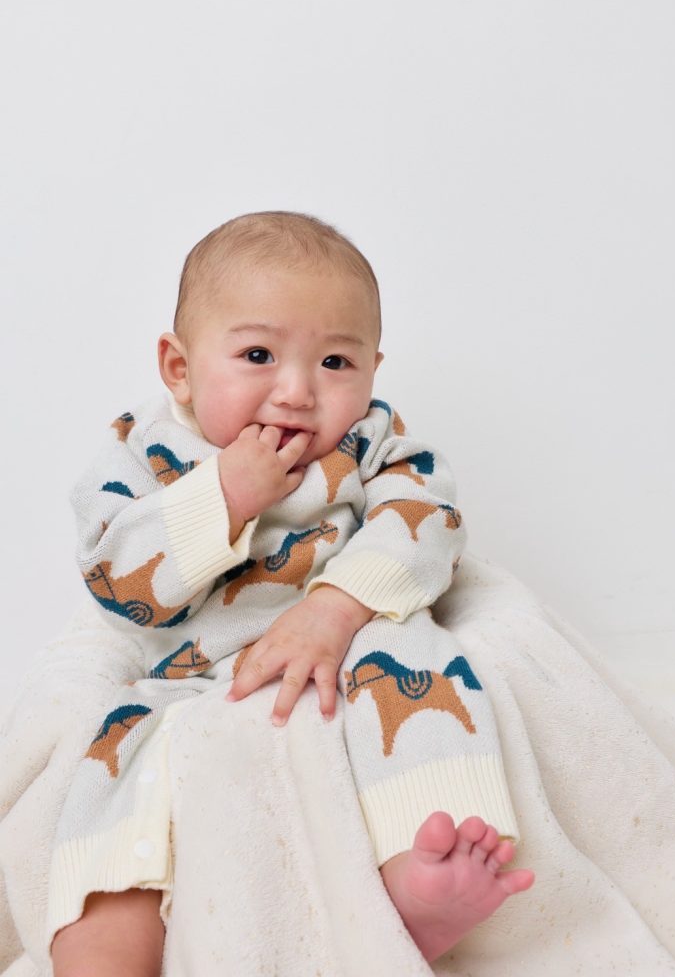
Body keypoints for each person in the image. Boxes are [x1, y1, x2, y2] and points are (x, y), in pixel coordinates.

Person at [48, 210, 534, 974]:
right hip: (189, 680)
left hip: (345, 658)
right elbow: (116, 580)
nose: (298, 391)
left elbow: (426, 519)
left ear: (372, 370)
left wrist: (334, 608)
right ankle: (106, 947)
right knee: (119, 777)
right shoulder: (143, 454)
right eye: (257, 355)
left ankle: (416, 878)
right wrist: (223, 494)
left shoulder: (368, 445)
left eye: (335, 362)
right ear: (179, 367)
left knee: (417, 665)